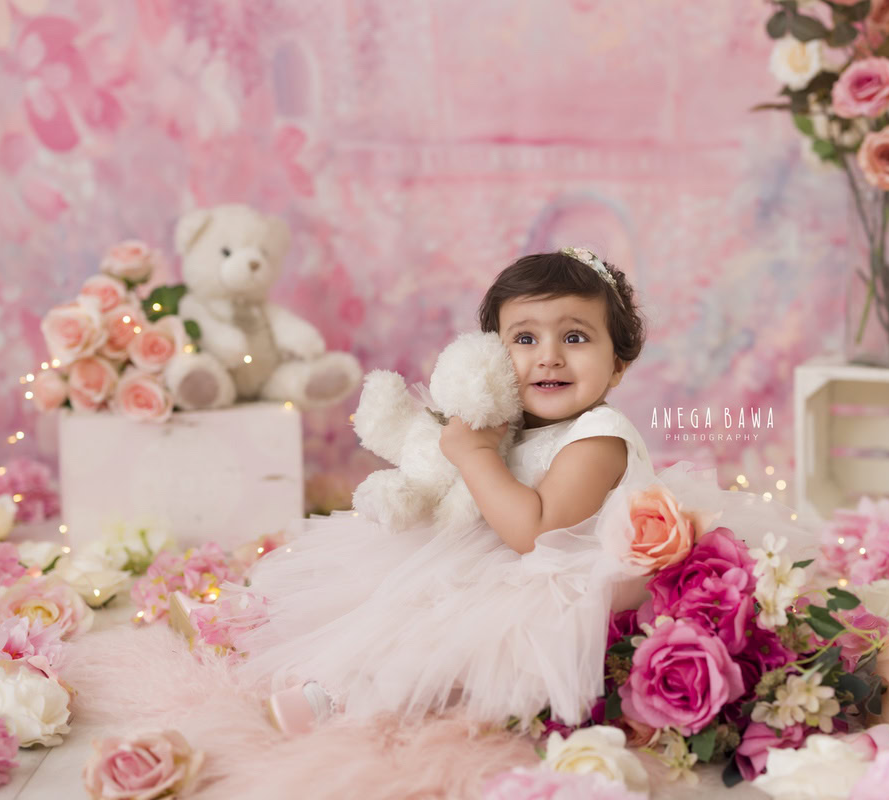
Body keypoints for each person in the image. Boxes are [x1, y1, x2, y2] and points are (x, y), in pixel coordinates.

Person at [228, 247, 808, 736]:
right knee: (392, 590)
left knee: (452, 633)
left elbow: (535, 532)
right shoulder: (518, 422)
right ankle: (302, 655)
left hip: (565, 586)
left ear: (619, 365)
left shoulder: (598, 438)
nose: (548, 355)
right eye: (524, 338)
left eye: (575, 337)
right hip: (504, 558)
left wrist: (476, 455)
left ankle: (351, 700)